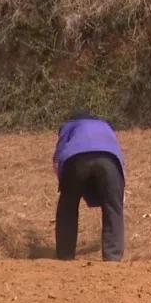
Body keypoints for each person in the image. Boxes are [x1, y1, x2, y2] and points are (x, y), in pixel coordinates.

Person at [52, 110, 126, 261]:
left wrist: (66, 186)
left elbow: (58, 159)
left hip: (75, 159)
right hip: (110, 160)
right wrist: (117, 193)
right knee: (113, 207)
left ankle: (65, 255)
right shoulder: (105, 126)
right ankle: (113, 257)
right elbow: (119, 155)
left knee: (67, 207)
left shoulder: (69, 126)